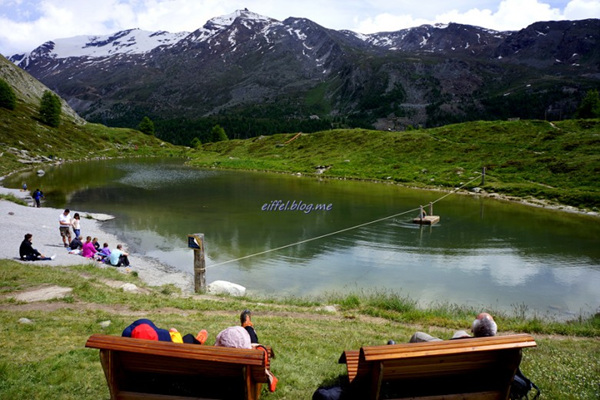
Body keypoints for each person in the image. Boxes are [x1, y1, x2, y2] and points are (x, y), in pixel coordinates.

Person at [408, 312, 497, 343]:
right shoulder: (501, 349)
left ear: (473, 329)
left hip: (447, 353)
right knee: (461, 332)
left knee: (417, 335)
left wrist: (458, 341)